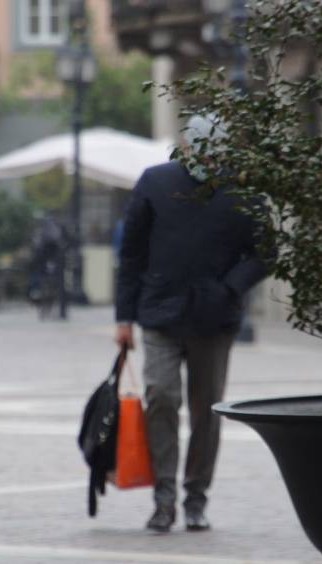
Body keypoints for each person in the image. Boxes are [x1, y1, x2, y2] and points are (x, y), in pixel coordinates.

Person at [114, 115, 269, 533]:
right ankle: (163, 499)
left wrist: (230, 288)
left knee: (207, 412)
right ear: (185, 144)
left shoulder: (242, 192)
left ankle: (196, 499)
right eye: (198, 145)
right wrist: (123, 317)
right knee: (160, 396)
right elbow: (131, 254)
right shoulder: (155, 182)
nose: (205, 154)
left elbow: (266, 251)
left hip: (214, 320)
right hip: (159, 313)